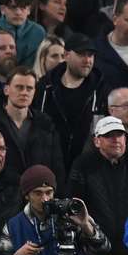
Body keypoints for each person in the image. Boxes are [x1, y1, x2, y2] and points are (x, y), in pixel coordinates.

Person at [68, 116, 128, 255]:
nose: (116, 140)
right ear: (96, 141)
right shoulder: (83, 165)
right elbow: (76, 207)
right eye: (108, 136)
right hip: (97, 251)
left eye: (120, 135)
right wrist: (87, 251)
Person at [0, 67, 67, 184]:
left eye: (29, 88)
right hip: (0, 193)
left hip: (39, 194)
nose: (24, 92)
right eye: (19, 87)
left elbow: (57, 167)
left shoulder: (46, 125)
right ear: (6, 89)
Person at [34, 32, 106, 170]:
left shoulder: (101, 89)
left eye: (90, 55)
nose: (87, 60)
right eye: (81, 54)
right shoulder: (45, 87)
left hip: (87, 166)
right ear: (66, 55)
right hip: (49, 162)